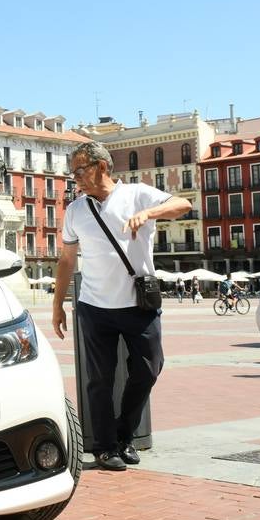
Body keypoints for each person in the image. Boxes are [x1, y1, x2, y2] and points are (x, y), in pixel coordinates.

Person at [51, 142, 192, 472]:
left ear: (101, 167)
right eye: (73, 173)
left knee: (149, 368)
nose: (76, 179)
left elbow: (182, 204)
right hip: (94, 306)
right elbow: (67, 260)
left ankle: (125, 434)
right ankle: (105, 446)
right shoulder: (76, 211)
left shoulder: (137, 194)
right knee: (99, 379)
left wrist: (149, 213)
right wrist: (58, 304)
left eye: (80, 171)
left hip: (138, 304)